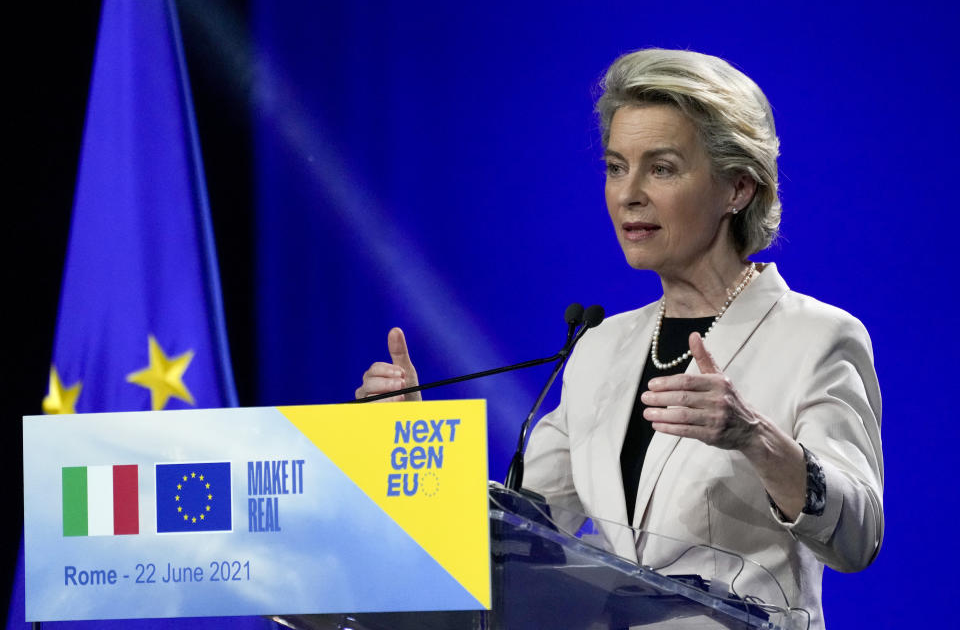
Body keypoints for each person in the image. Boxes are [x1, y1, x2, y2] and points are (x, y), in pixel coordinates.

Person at [355, 48, 883, 629]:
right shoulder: (602, 345)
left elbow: (857, 536)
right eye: (615, 166)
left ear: (738, 188)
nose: (628, 193)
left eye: (661, 168)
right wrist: (411, 444)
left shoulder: (817, 337)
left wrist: (753, 437)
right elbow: (524, 524)